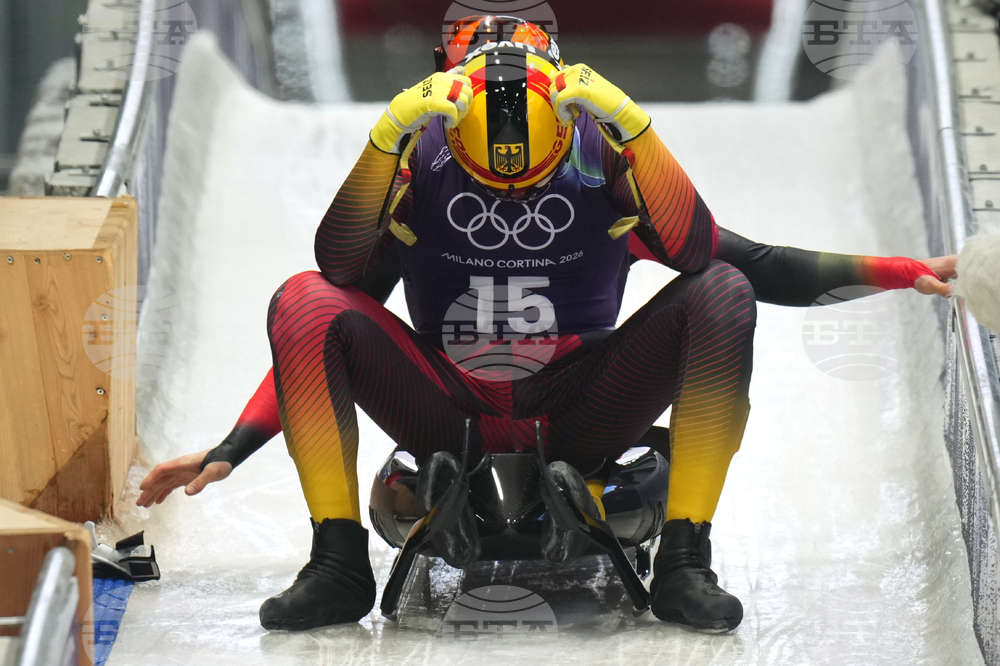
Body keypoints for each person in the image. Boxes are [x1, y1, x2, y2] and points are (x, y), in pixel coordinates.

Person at [137, 16, 955, 634]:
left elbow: (721, 256)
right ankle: (336, 560)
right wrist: (232, 446)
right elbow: (328, 304)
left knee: (723, 292)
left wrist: (902, 272)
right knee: (303, 293)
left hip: (578, 406)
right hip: (450, 406)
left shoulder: (606, 162)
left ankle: (684, 558)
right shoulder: (416, 169)